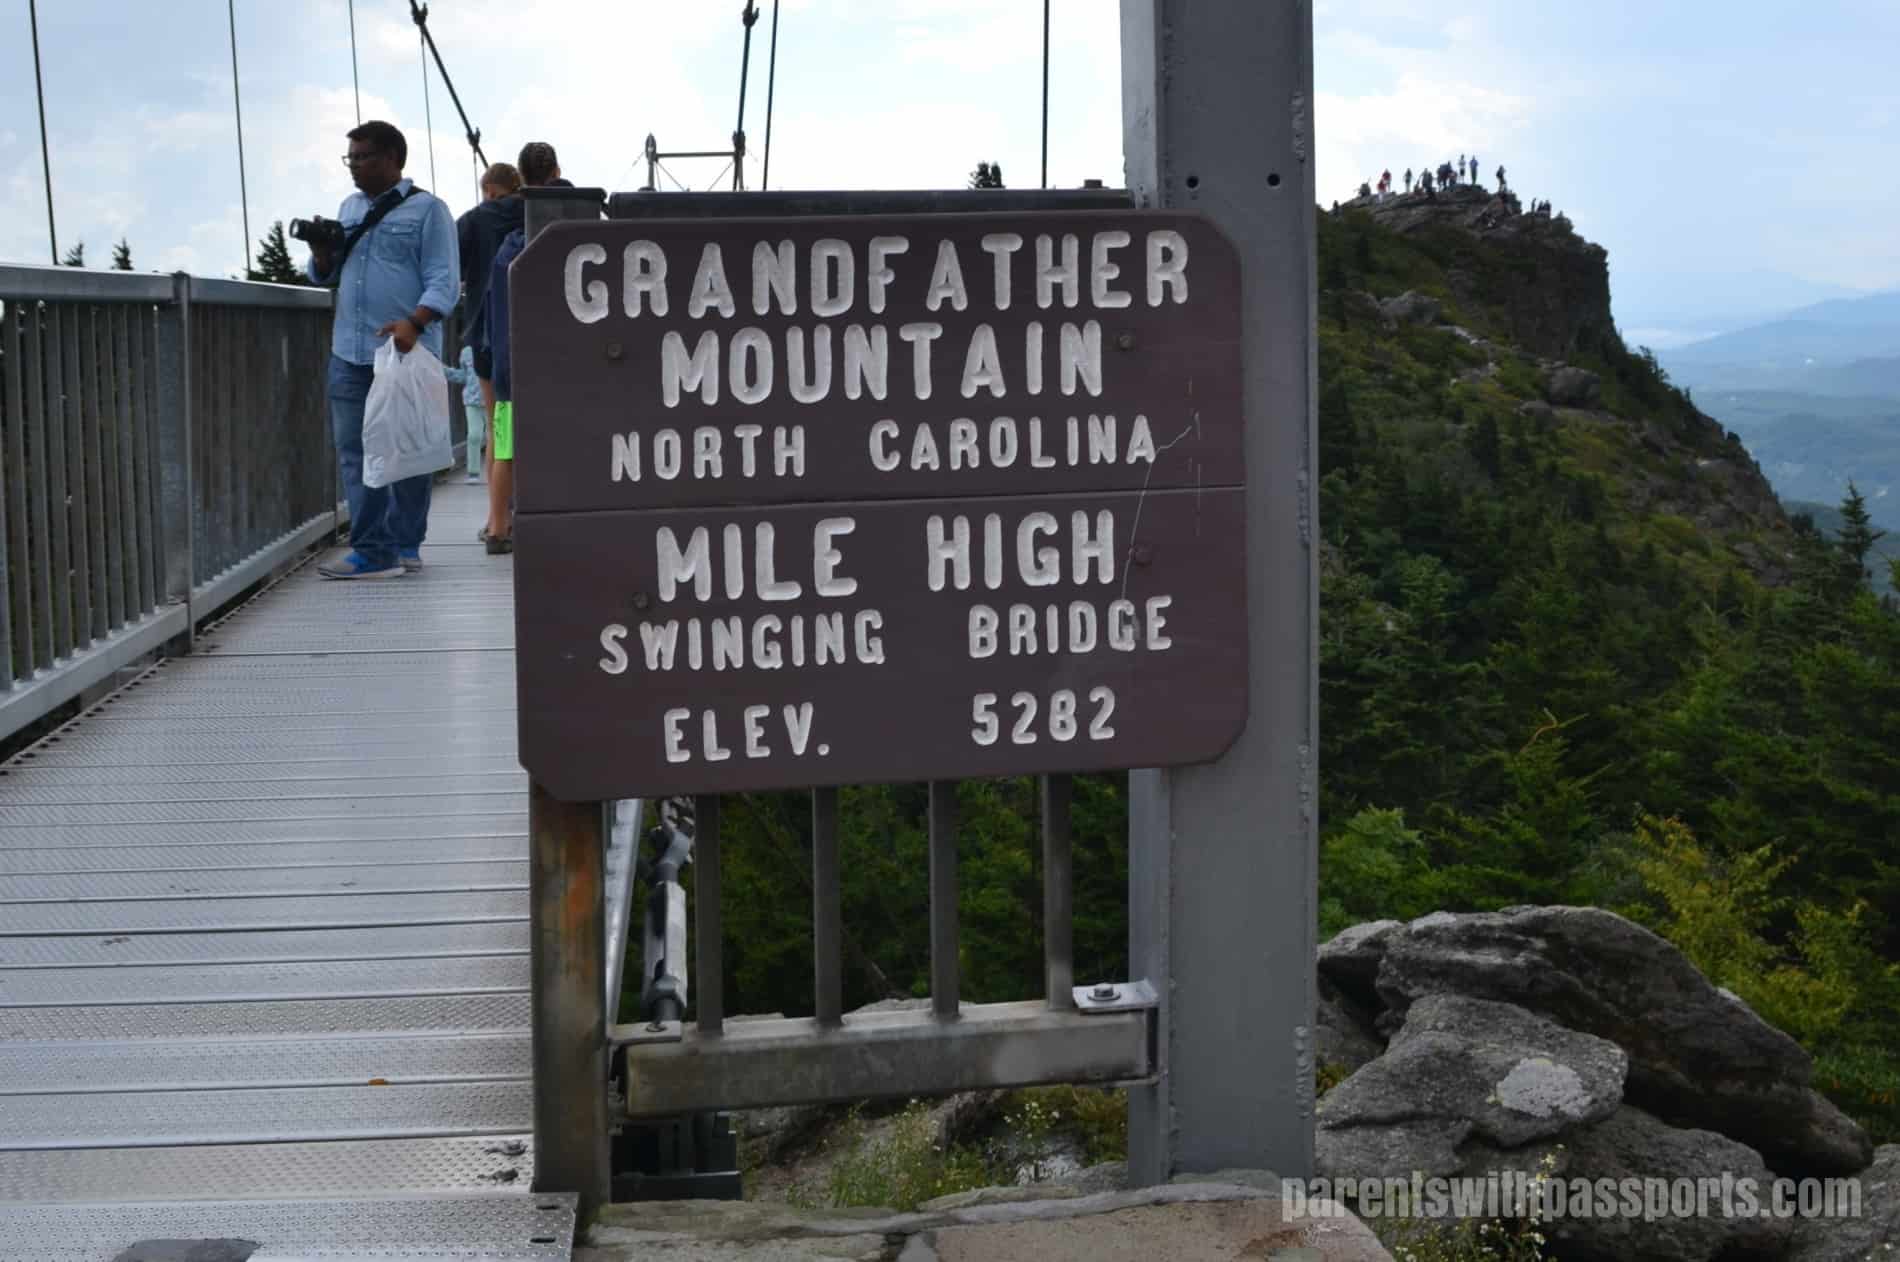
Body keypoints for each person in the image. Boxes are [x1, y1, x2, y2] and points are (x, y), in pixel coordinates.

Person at [307, 120, 458, 579]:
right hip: (349, 352)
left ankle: (406, 544)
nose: (353, 166)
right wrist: (321, 253)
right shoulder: (349, 207)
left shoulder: (429, 211)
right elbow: (328, 275)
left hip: (404, 352)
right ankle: (373, 551)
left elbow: (444, 280)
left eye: (363, 156)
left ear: (392, 158)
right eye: (350, 157)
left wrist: (415, 323)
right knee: (356, 451)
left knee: (408, 449)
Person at [480, 141, 564, 554]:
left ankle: (498, 528)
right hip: (556, 368)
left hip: (508, 369)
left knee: (505, 448)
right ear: (556, 173)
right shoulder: (569, 234)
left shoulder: (508, 247)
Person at [457, 162, 523, 491]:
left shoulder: (473, 220)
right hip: (530, 332)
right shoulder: (535, 213)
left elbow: (450, 267)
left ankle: (499, 510)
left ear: (490, 191)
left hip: (485, 332)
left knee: (500, 421)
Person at [443, 342, 486, 481]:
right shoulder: (466, 351)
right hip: (472, 400)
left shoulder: (495, 346)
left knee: (496, 438)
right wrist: (445, 371)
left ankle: (501, 471)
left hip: (494, 399)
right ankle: (473, 473)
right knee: (474, 435)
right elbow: (464, 376)